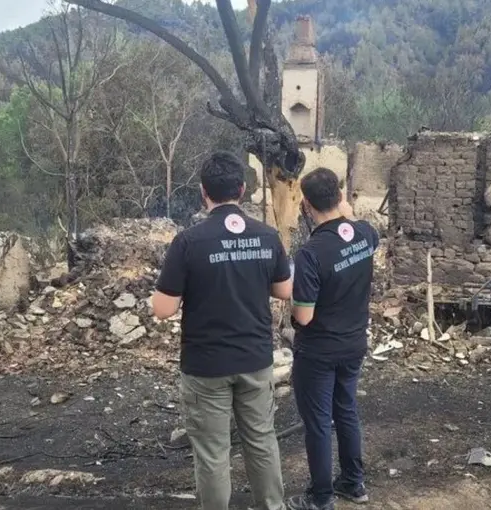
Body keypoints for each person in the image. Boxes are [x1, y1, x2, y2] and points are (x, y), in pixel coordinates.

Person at [152, 151, 292, 510]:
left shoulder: (188, 242)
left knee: (213, 453)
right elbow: (284, 291)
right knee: (261, 441)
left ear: (204, 192)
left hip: (206, 366)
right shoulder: (266, 236)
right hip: (255, 360)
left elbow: (163, 310)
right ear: (242, 190)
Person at [286, 168, 379, 510]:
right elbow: (358, 228)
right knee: (346, 412)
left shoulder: (311, 253)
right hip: (354, 344)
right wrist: (347, 214)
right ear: (340, 197)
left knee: (318, 423)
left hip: (318, 351)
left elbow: (304, 316)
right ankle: (353, 484)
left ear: (306, 205)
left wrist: (293, 305)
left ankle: (321, 497)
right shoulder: (365, 235)